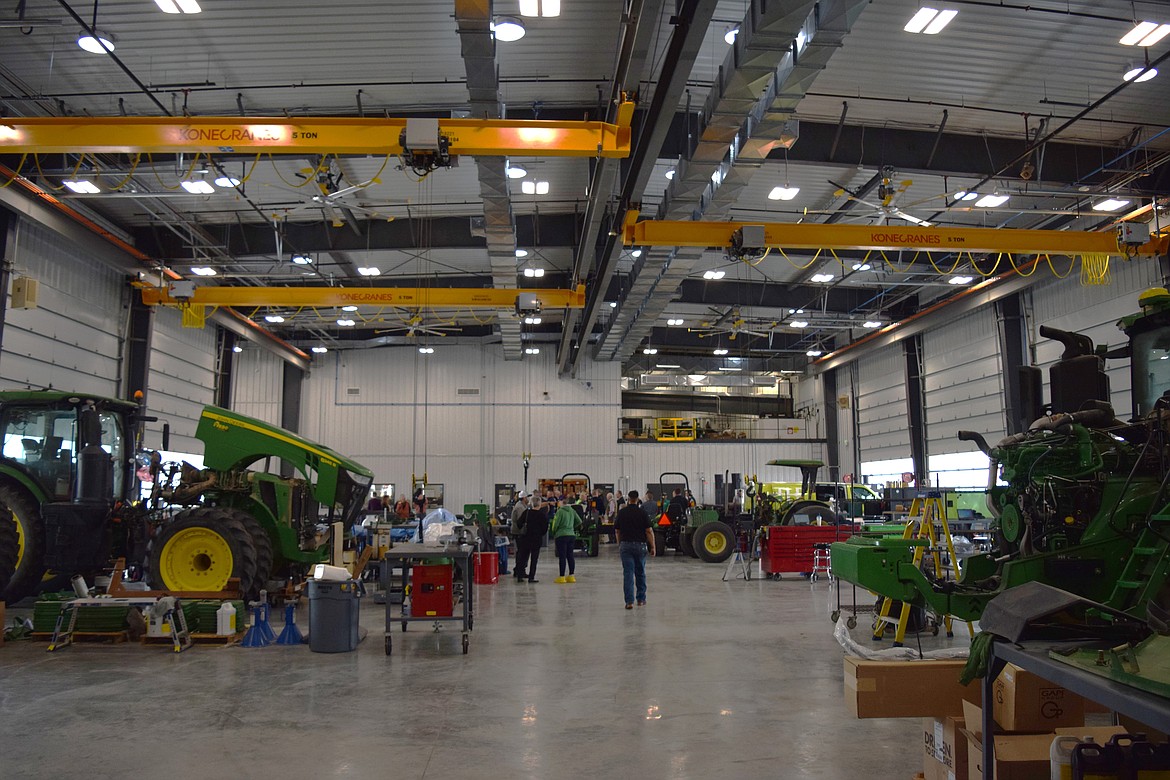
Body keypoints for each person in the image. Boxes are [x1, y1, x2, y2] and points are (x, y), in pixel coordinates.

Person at [615, 489, 654, 608]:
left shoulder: (622, 513)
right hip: (640, 546)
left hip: (625, 545)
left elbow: (617, 531)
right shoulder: (642, 513)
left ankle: (629, 602)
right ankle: (641, 600)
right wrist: (653, 546)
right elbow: (648, 531)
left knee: (628, 574)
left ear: (628, 499)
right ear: (637, 499)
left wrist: (619, 544)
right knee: (640, 572)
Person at [514, 497, 549, 583]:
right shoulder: (542, 515)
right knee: (534, 559)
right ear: (540, 504)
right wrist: (539, 533)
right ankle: (531, 577)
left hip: (525, 538)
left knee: (523, 557)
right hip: (536, 539)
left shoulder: (526, 513)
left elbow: (519, 523)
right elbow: (545, 528)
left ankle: (520, 576)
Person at [550, 499, 582, 583]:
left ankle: (562, 577)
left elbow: (555, 524)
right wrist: (572, 528)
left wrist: (554, 532)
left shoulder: (560, 511)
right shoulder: (572, 511)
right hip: (571, 535)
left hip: (561, 535)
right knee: (570, 555)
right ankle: (571, 576)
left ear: (562, 503)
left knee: (562, 556)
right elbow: (579, 521)